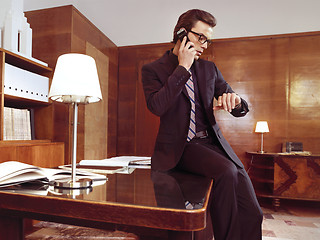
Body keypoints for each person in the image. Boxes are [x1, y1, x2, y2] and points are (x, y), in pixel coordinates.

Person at [141, 9, 263, 240]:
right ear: (181, 33)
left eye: (208, 40)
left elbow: (239, 104)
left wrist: (235, 101)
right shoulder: (152, 70)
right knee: (225, 172)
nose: (205, 45)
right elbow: (158, 106)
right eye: (201, 38)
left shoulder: (209, 69)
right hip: (181, 147)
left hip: (213, 143)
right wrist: (182, 68)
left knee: (252, 212)